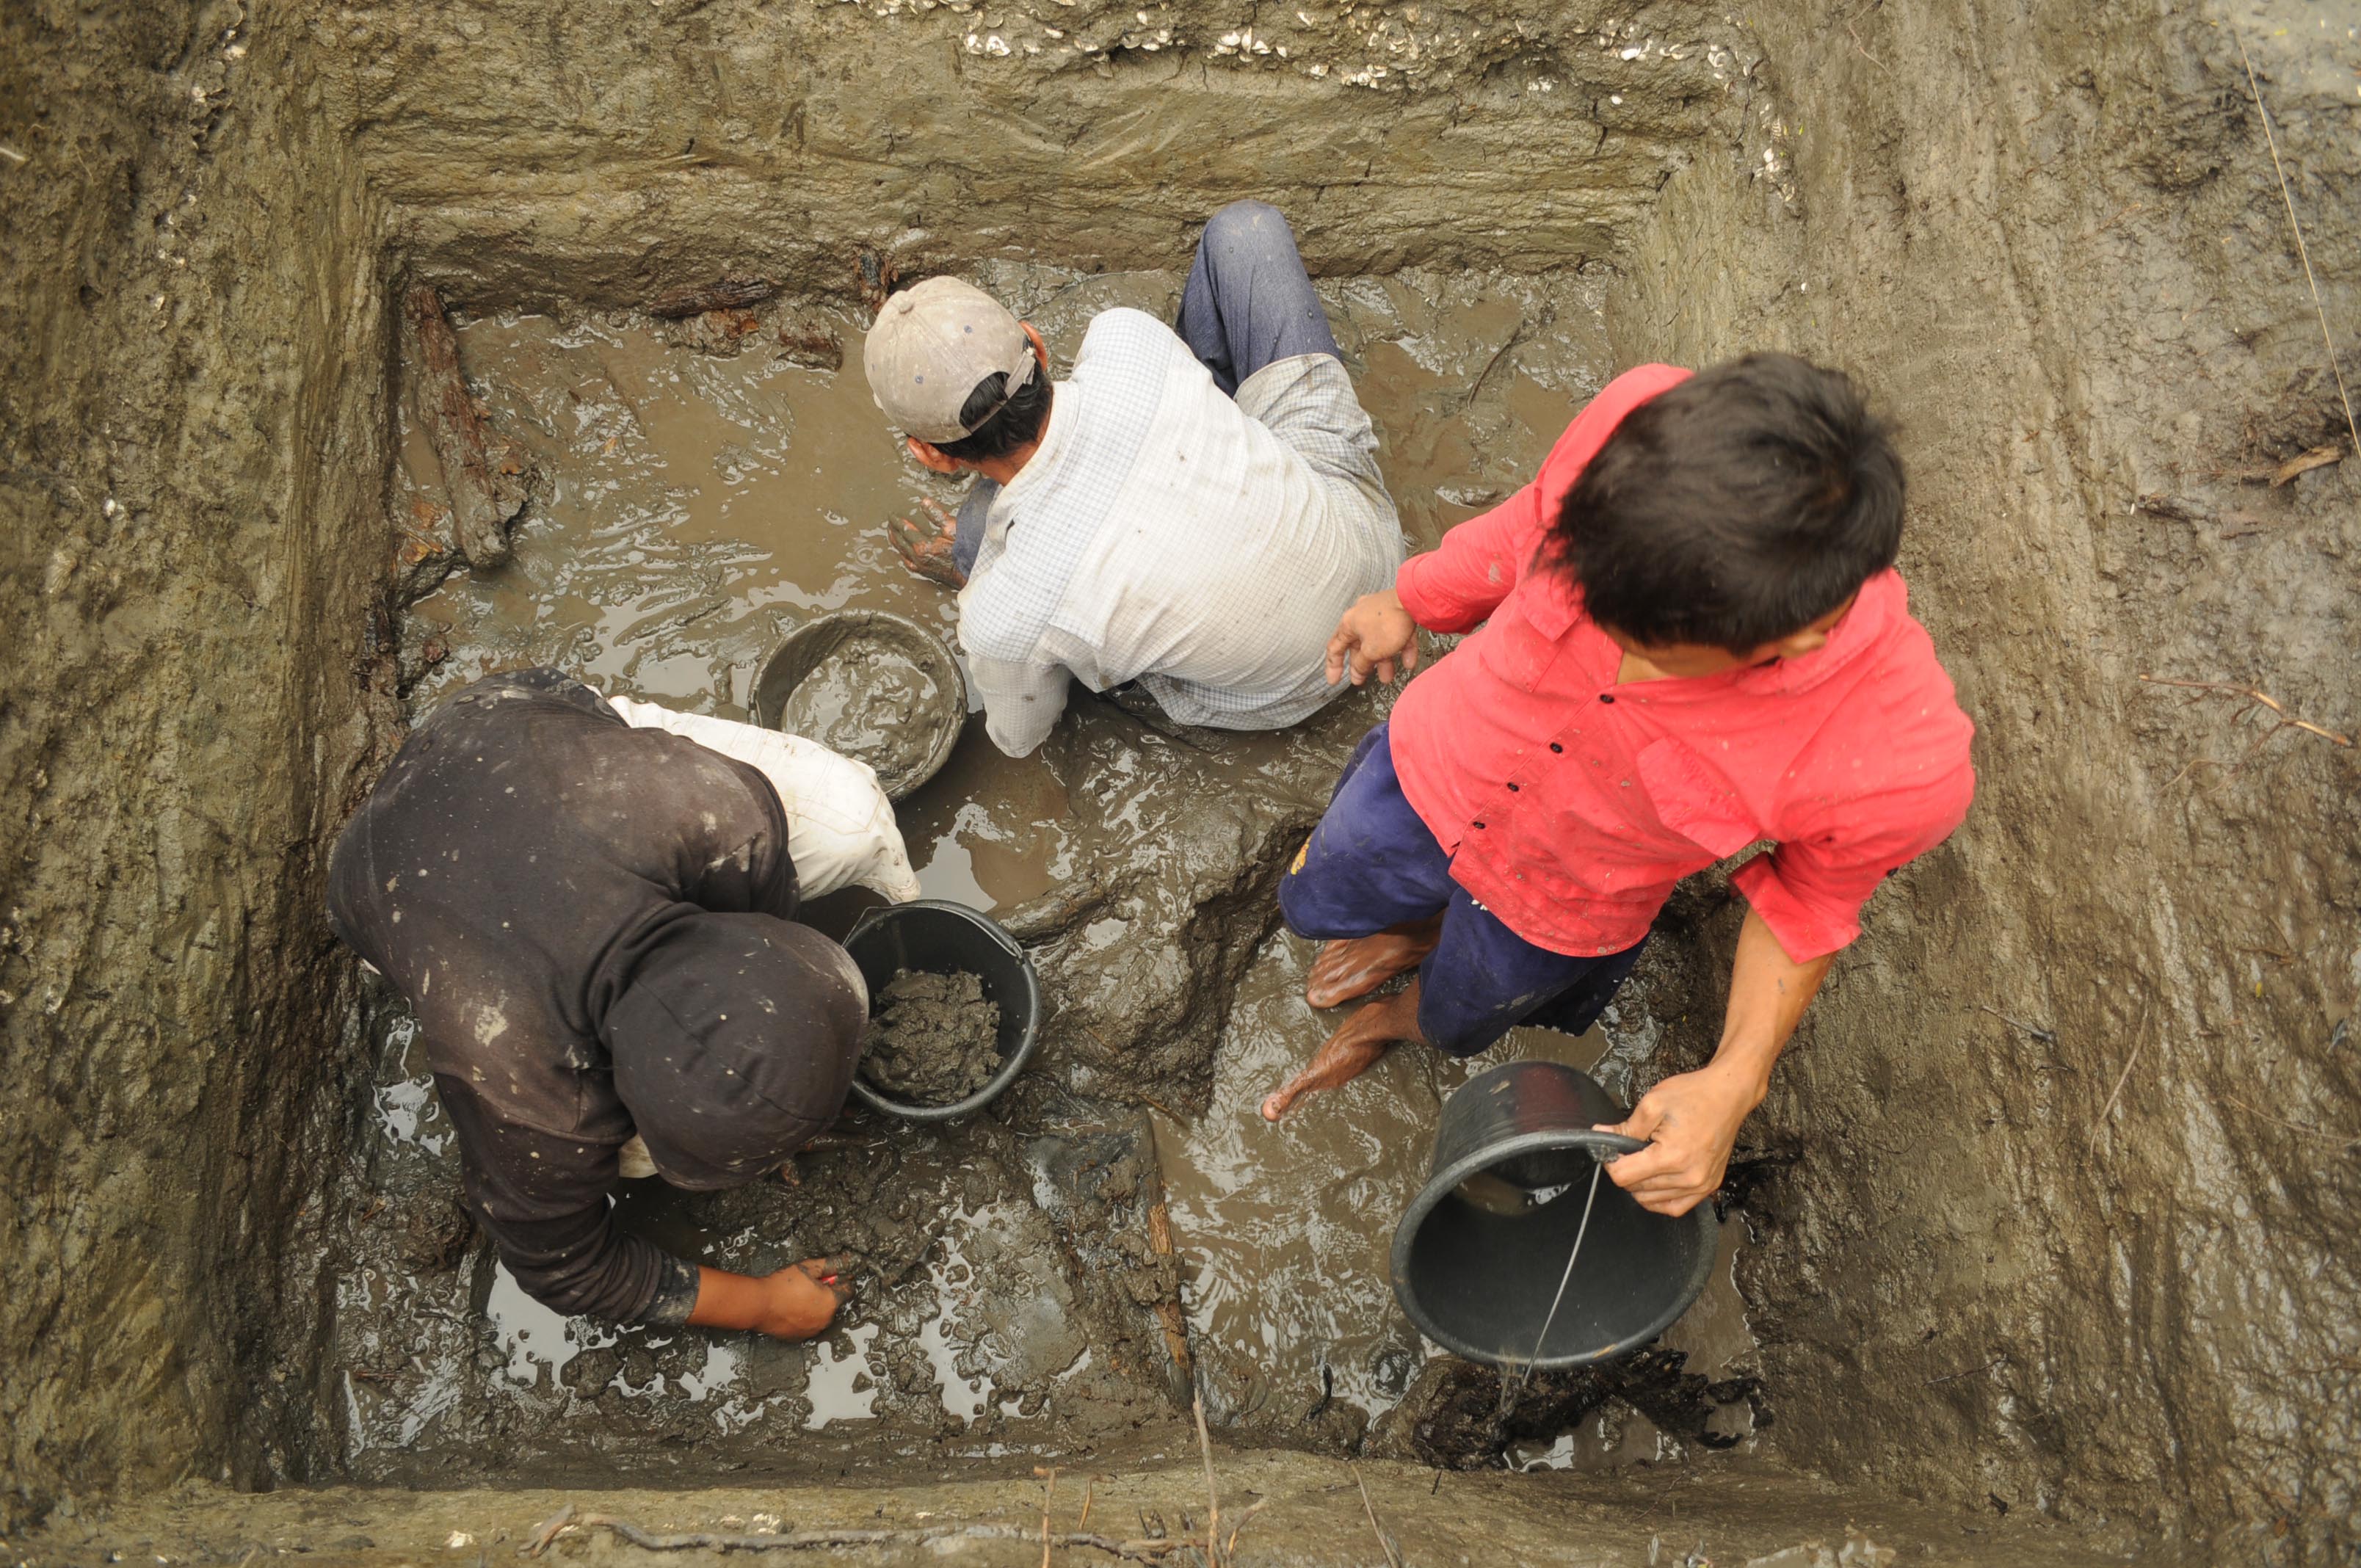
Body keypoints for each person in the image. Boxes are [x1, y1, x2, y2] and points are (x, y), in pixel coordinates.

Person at [1263, 355, 1977, 1219]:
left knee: (1457, 1020)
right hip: (1433, 766)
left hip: (1552, 904)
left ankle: (1400, 1015)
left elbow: (1806, 906)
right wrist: (1413, 598)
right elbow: (1524, 523)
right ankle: (1414, 928)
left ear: (1798, 637)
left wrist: (1736, 1079)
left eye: (1640, 638)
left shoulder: (1895, 762)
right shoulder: (1640, 423)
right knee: (1316, 898)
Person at [326, 667, 923, 1337]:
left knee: (852, 825)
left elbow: (767, 937)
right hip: (387, 869)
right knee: (621, 1164)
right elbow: (564, 1267)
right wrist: (762, 1307)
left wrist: (785, 1071)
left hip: (534, 746)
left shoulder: (722, 819)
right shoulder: (522, 1089)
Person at [867, 200, 1402, 757]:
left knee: (981, 528)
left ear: (930, 455)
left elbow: (1020, 738)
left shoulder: (1002, 610)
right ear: (1037, 344)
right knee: (1245, 232)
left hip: (1289, 690)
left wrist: (979, 584)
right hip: (1376, 567)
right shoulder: (1125, 338)